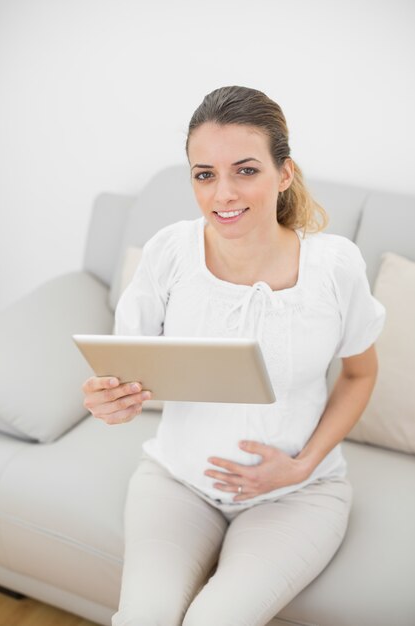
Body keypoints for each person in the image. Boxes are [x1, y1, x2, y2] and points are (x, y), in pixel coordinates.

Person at [82, 85, 386, 626]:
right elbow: (126, 373)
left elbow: (360, 374)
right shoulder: (169, 252)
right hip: (178, 483)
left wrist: (302, 465)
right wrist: (112, 400)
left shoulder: (336, 267)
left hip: (298, 495)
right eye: (205, 174)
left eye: (246, 170)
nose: (223, 193)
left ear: (284, 173)